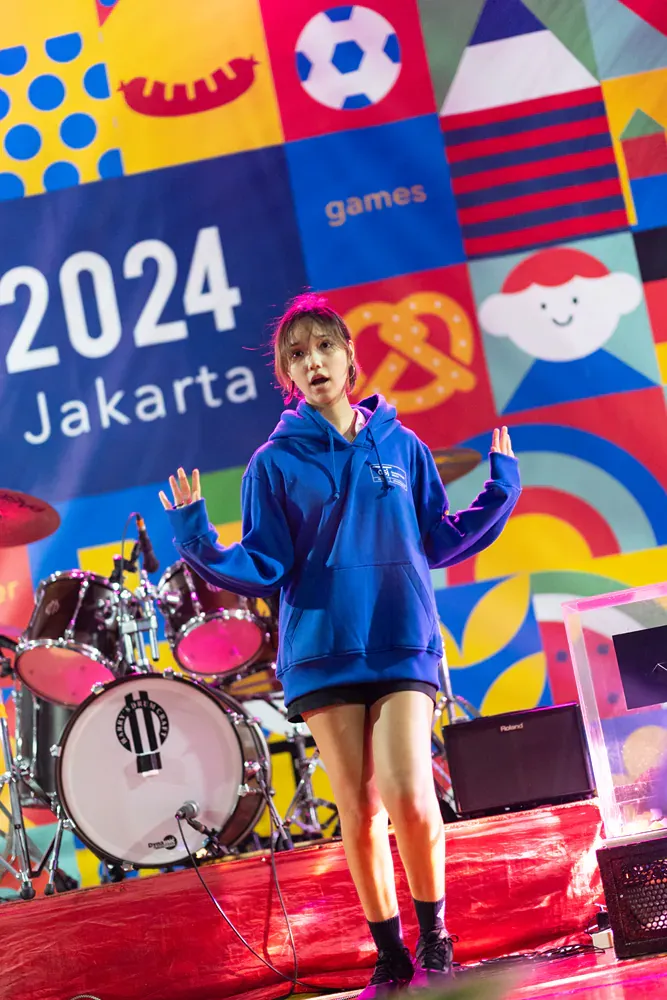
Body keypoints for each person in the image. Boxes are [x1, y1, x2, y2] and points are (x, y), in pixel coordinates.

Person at [159, 293, 521, 997]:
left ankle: (435, 936)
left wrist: (499, 490)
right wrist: (194, 535)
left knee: (411, 795)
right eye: (296, 354)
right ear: (286, 375)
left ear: (349, 358)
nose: (312, 361)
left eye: (323, 347)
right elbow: (261, 565)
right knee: (358, 809)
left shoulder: (402, 445)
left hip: (401, 640)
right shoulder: (273, 462)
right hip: (323, 650)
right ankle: (388, 953)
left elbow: (438, 538)